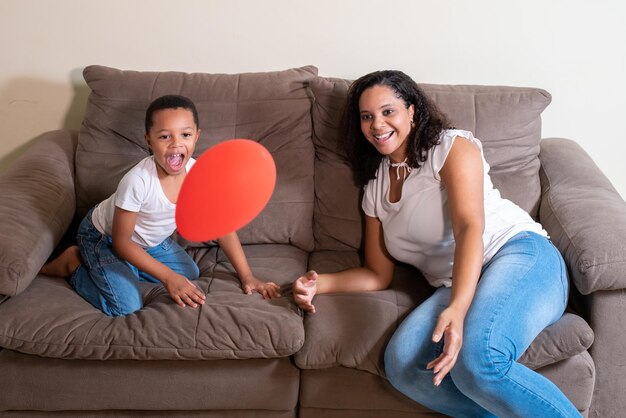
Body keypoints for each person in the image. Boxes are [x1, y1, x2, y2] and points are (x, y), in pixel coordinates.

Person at [292, 71, 580, 417]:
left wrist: (458, 309)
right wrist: (318, 283)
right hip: (455, 281)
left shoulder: (450, 147)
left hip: (517, 254)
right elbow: (376, 274)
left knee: (479, 359)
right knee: (403, 366)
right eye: (366, 116)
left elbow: (470, 226)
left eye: (388, 111)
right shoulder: (375, 190)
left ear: (412, 111)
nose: (377, 125)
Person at [42, 94, 280, 317]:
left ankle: (124, 268)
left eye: (185, 135)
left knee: (189, 274)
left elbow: (222, 227)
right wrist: (167, 278)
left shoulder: (199, 174)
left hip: (147, 243)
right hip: (105, 238)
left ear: (197, 135)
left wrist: (247, 276)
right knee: (126, 306)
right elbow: (122, 242)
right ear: (148, 139)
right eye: (165, 136)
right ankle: (73, 263)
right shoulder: (137, 181)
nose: (176, 144)